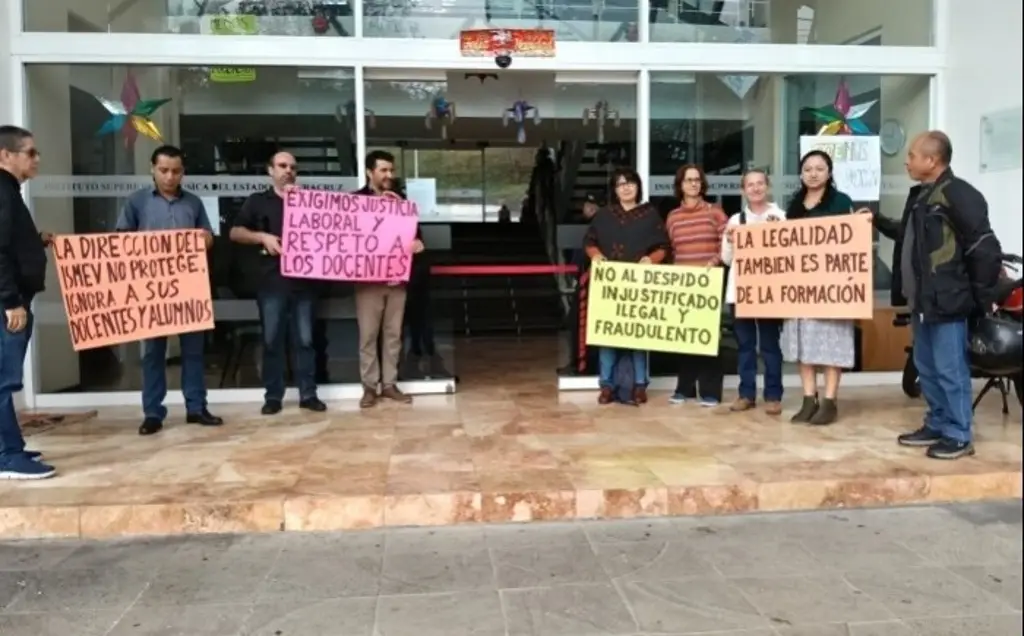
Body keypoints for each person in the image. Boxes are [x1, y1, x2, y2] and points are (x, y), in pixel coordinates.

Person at [880, 132, 1003, 459]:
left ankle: (959, 434)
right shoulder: (923, 196)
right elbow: (906, 234)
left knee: (951, 369)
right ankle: (937, 422)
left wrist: (980, 296)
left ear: (931, 160)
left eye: (911, 155)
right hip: (923, 301)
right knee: (927, 366)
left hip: (949, 300)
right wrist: (875, 220)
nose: (907, 161)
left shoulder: (958, 194)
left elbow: (985, 249)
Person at [116, 145, 223, 435]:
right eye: (164, 170)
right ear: (153, 169)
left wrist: (204, 239)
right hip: (151, 289)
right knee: (153, 353)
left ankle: (196, 407)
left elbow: (209, 239)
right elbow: (120, 242)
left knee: (193, 352)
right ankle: (153, 412)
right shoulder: (136, 202)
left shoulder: (194, 203)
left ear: (183, 172)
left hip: (189, 287)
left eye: (176, 171)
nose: (170, 177)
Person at [229, 151, 327, 415]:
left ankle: (308, 394)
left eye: (293, 167)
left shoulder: (311, 201)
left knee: (306, 341)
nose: (288, 171)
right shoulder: (257, 202)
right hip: (271, 282)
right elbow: (235, 232)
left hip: (305, 282)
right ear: (270, 170)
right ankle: (273, 396)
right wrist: (263, 238)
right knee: (272, 340)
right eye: (282, 166)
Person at [782, 150, 868, 425]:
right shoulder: (794, 205)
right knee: (802, 342)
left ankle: (829, 401)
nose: (814, 173)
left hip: (832, 286)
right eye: (808, 169)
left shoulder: (841, 201)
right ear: (801, 174)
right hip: (801, 286)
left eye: (819, 168)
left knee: (831, 341)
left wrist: (860, 223)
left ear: (829, 173)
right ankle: (809, 398)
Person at [584, 167, 669, 405]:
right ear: (615, 189)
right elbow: (589, 242)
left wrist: (650, 259)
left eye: (630, 183)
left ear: (638, 186)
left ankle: (640, 385)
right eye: (621, 184)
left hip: (638, 285)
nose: (626, 187)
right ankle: (607, 386)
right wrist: (596, 255)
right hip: (609, 286)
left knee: (638, 337)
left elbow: (664, 246)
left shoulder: (650, 214)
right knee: (608, 336)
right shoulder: (604, 215)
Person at [0, 126, 55, 479]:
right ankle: (9, 456)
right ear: (5, 155)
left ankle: (11, 447)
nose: (36, 159)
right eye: (30, 152)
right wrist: (10, 301)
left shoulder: (9, 192)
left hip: (15, 298)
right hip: (9, 304)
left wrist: (36, 242)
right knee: (3, 382)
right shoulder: (2, 193)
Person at [354, 150, 424, 408]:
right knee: (368, 335)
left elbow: (417, 237)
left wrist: (417, 243)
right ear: (369, 172)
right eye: (383, 170)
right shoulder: (354, 201)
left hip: (396, 280)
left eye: (391, 171)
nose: (389, 176)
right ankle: (369, 387)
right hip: (368, 282)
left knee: (393, 334)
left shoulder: (401, 202)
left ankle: (390, 384)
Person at [720, 169, 786, 414]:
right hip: (741, 292)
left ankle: (773, 396)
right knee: (745, 345)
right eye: (750, 184)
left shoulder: (780, 217)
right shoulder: (736, 220)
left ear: (767, 187)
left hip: (769, 292)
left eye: (760, 184)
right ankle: (746, 393)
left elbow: (790, 255)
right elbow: (726, 260)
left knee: (770, 345)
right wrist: (728, 240)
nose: (756, 188)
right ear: (743, 190)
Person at [665, 164, 728, 407]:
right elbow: (671, 250)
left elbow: (726, 246)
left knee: (709, 336)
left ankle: (710, 391)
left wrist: (713, 262)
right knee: (685, 337)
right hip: (683, 284)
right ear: (680, 185)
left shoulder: (715, 212)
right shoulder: (673, 217)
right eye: (688, 180)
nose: (693, 184)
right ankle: (685, 389)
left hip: (709, 282)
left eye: (697, 180)